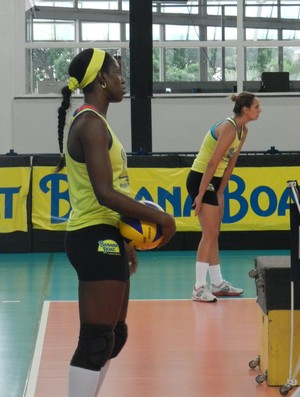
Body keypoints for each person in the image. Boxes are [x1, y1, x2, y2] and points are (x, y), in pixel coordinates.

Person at [57, 48, 176, 397]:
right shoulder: (90, 123)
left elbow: (112, 195)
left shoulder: (98, 121)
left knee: (113, 338)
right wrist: (161, 218)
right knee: (95, 341)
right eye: (117, 72)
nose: (123, 79)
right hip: (91, 235)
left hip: (108, 234)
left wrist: (124, 240)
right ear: (102, 80)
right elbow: (105, 193)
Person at [186, 92, 261, 303]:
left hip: (214, 182)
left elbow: (230, 164)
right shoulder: (228, 127)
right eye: (257, 107)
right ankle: (198, 287)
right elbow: (212, 162)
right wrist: (201, 194)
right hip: (201, 178)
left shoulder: (242, 131)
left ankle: (217, 283)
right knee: (208, 233)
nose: (260, 110)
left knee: (214, 233)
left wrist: (220, 192)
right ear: (246, 109)